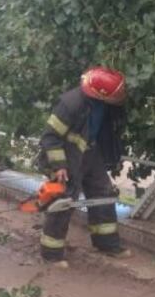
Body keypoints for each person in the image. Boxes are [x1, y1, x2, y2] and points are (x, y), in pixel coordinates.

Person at [37, 66, 132, 267]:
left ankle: (107, 244)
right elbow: (49, 137)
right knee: (64, 202)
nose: (120, 97)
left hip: (91, 152)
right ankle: (51, 254)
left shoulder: (102, 103)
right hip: (68, 157)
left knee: (103, 194)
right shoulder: (71, 104)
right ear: (101, 93)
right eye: (116, 95)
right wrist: (59, 165)